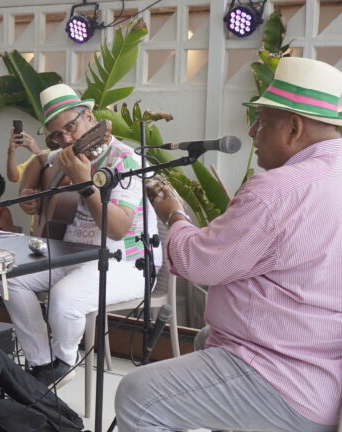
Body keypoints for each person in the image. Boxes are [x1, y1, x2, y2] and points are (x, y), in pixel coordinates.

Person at [115, 57, 342, 432]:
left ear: (294, 127)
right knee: (206, 338)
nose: (253, 132)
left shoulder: (278, 191)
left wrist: (174, 214)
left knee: (139, 396)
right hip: (323, 366)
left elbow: (198, 263)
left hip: (284, 377)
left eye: (262, 122)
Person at [7, 84, 160, 387]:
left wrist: (84, 183)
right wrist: (28, 192)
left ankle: (63, 362)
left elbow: (117, 228)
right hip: (74, 253)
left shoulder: (125, 160)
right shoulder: (65, 154)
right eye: (56, 136)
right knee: (12, 277)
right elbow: (38, 161)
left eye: (71, 127)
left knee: (64, 299)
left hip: (126, 261)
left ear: (89, 117)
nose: (66, 139)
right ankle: (42, 363)